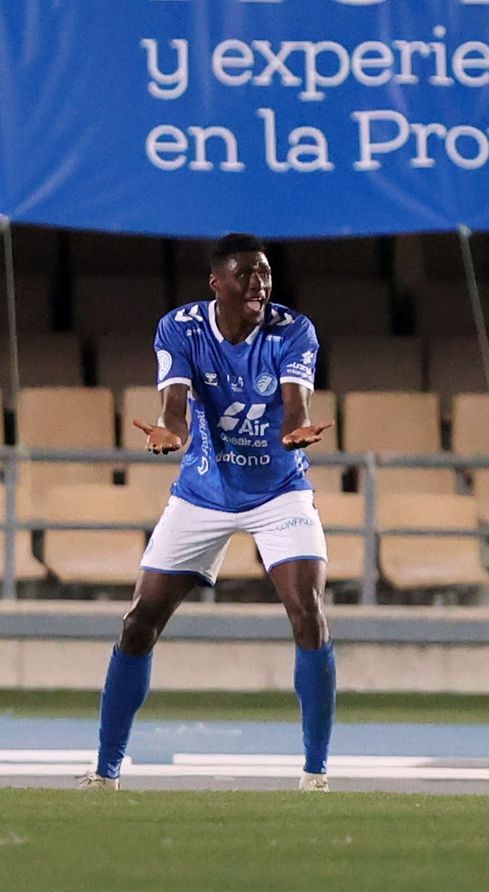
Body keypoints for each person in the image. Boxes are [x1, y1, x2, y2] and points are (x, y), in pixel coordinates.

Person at [80, 233, 338, 792]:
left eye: (265, 274)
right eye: (245, 274)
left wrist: (296, 429)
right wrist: (170, 432)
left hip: (279, 492)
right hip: (202, 491)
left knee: (308, 613)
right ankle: (106, 770)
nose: (259, 284)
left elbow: (296, 401)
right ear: (216, 282)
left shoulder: (293, 329)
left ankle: (316, 772)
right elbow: (174, 404)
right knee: (138, 623)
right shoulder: (182, 327)